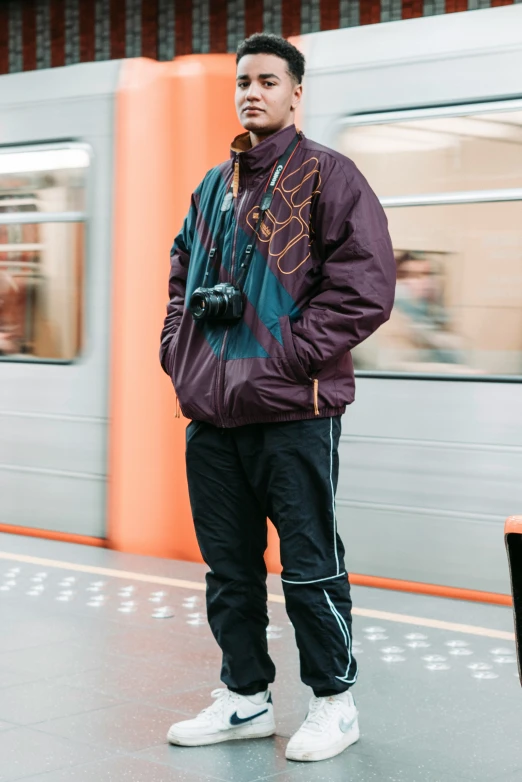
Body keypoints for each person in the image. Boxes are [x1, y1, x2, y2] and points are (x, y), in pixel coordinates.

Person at [160, 33, 396, 763]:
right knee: (228, 568)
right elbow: (179, 281)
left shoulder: (331, 176)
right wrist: (179, 353)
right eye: (242, 82)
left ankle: (334, 702)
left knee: (310, 564)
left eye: (267, 80)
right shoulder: (211, 188)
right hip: (212, 414)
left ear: (297, 93)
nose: (251, 92)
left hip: (295, 411)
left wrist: (287, 359)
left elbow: (365, 289)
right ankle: (244, 699)